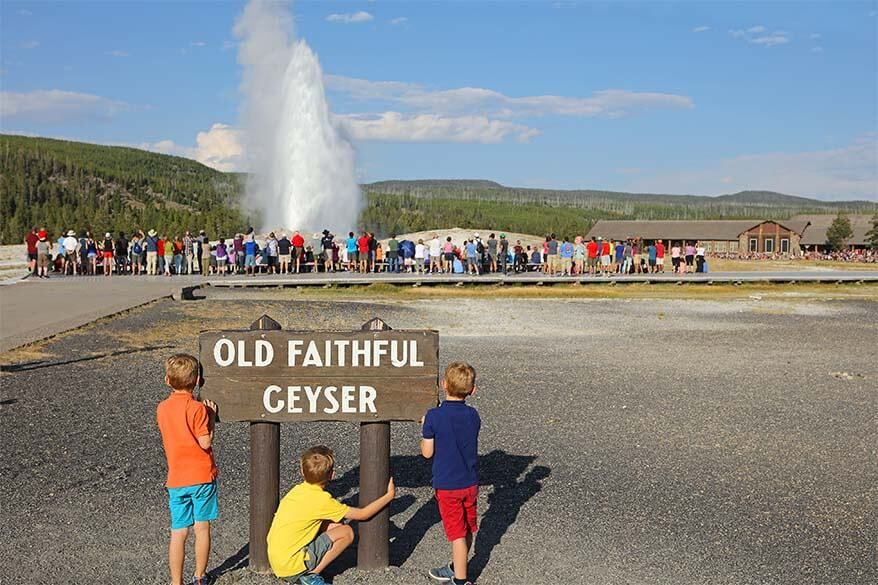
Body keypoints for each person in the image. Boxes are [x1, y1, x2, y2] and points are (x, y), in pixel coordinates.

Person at [267, 446, 394, 585]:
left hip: (276, 560)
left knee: (334, 525)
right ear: (332, 475)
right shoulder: (323, 501)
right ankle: (311, 575)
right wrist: (388, 496)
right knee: (346, 532)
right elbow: (363, 514)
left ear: (302, 471)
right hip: (292, 567)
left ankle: (304, 569)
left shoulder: (296, 491)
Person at [156, 354, 218, 585]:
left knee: (179, 531)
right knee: (202, 528)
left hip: (176, 478)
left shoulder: (162, 409)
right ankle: (200, 576)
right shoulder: (197, 409)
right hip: (201, 476)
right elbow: (205, 443)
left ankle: (176, 581)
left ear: (167, 380)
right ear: (198, 380)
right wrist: (210, 418)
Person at [422, 362, 481, 585]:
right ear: (472, 390)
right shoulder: (473, 415)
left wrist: (426, 428)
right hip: (470, 482)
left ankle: (460, 579)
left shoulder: (433, 417)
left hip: (447, 485)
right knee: (467, 528)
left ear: (443, 385)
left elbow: (427, 453)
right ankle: (458, 565)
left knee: (456, 533)